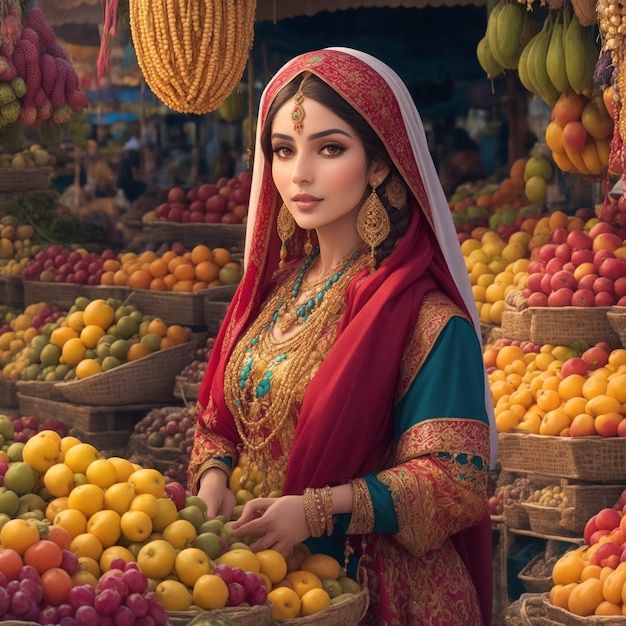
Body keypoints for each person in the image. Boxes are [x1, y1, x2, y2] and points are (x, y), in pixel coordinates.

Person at [188, 47, 497, 626]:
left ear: (379, 164)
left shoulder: (425, 320)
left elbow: (457, 481)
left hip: (375, 592)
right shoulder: (272, 292)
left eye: (329, 148)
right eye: (283, 151)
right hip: (256, 582)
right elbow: (222, 418)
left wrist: (314, 512)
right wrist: (213, 482)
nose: (299, 173)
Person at [115, 136, 147, 208]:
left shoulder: (124, 160)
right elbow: (134, 176)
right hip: (127, 189)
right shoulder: (132, 159)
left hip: (123, 188)